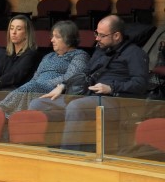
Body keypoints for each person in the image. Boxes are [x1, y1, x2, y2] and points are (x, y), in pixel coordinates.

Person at [30, 15, 149, 151]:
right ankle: (36, 152)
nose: (97, 38)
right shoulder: (101, 49)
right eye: (96, 33)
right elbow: (85, 72)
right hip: (87, 95)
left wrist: (110, 88)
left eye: (102, 35)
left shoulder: (135, 53)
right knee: (38, 103)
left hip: (115, 101)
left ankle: (68, 154)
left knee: (75, 106)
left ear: (116, 35)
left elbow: (140, 84)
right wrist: (63, 86)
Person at [0, 20, 89, 116]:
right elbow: (35, 77)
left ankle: (0, 109)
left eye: (57, 37)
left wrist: (41, 84)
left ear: (69, 39)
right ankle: (7, 115)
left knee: (31, 86)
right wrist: (35, 84)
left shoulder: (79, 55)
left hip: (56, 91)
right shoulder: (48, 56)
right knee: (29, 86)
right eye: (52, 36)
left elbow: (71, 77)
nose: (52, 40)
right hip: (35, 88)